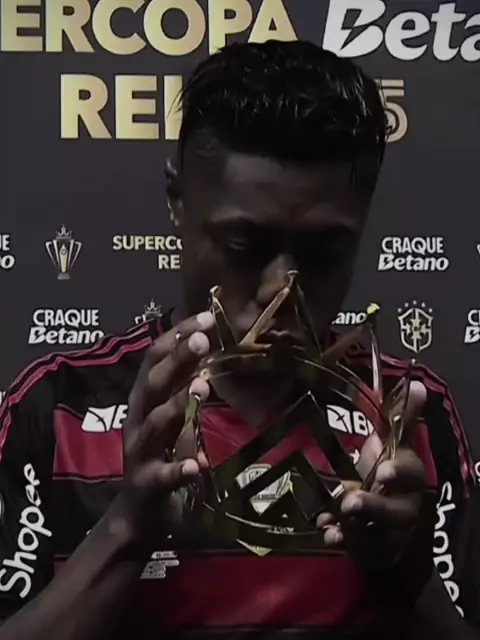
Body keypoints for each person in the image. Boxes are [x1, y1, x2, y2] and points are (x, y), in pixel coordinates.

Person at [0, 41, 478, 640]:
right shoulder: (58, 407)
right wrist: (127, 530)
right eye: (245, 247)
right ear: (178, 204)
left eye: (323, 254)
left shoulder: (408, 421)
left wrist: (406, 578)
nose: (282, 290)